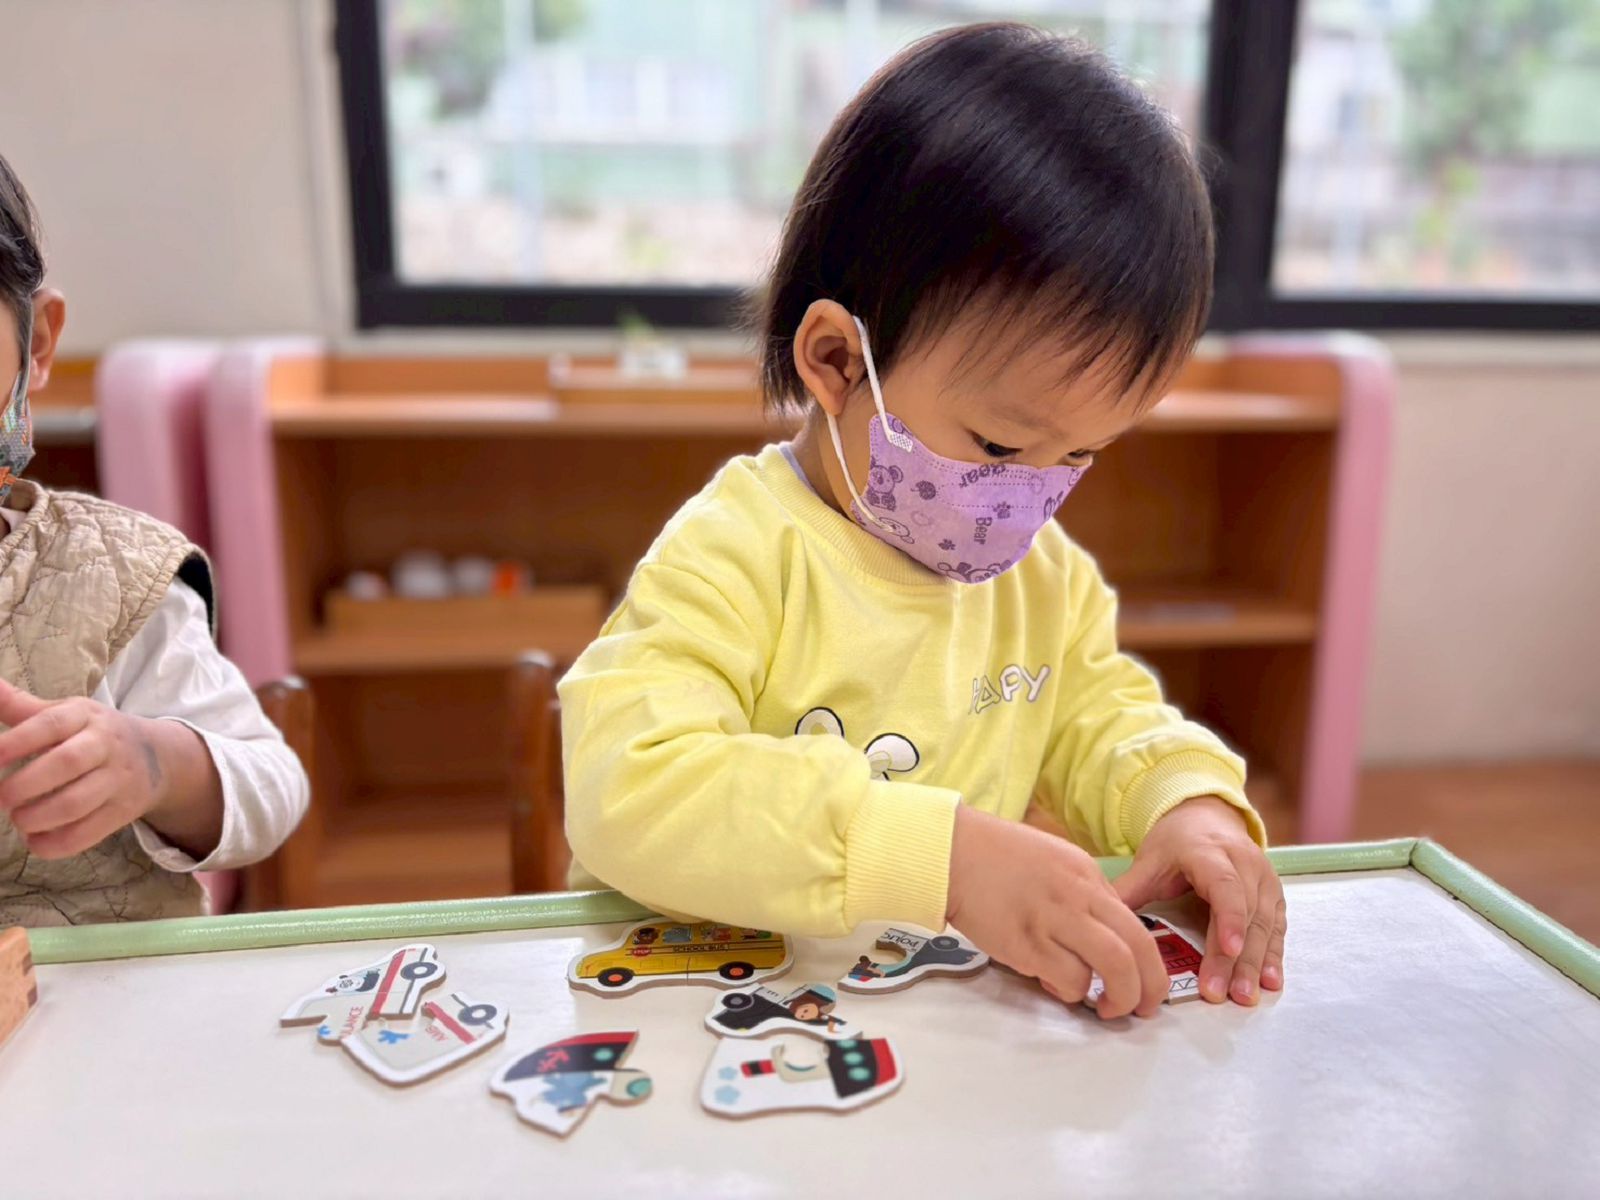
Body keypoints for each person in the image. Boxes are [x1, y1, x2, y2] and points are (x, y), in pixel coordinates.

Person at [560, 24, 1285, 1019]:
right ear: (836, 360)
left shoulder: (1043, 582)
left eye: (1080, 455)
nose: (1030, 496)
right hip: (706, 1015)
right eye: (999, 444)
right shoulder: (738, 554)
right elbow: (629, 788)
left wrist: (1185, 801)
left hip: (920, 1025)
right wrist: (936, 858)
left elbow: (1101, 719)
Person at [0, 153, 308, 926]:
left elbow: (271, 784)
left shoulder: (110, 578)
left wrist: (153, 764)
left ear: (36, 347)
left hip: (104, 981)